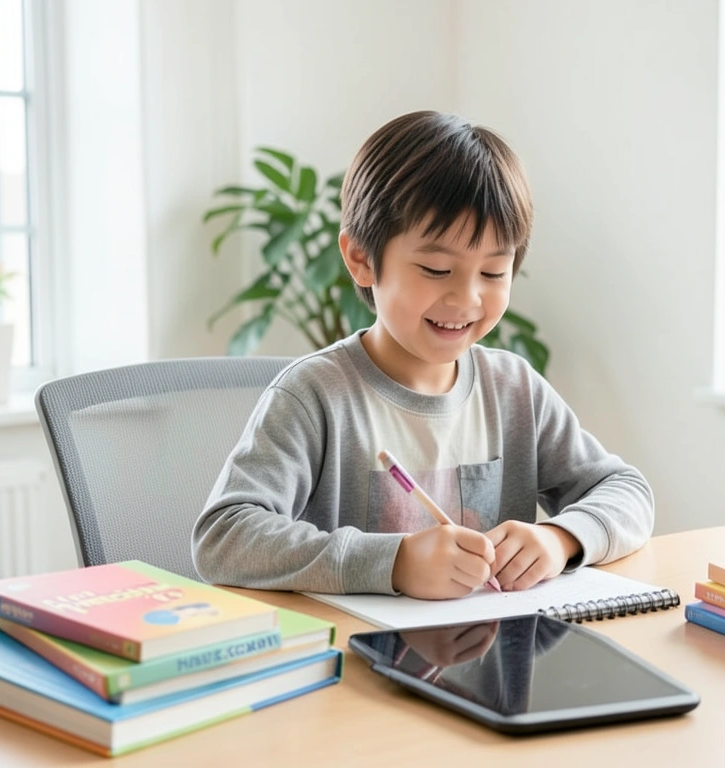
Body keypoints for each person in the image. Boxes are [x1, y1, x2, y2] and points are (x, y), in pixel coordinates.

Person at [192, 110, 653, 599]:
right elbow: (224, 536)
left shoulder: (515, 391)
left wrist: (561, 539)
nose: (467, 299)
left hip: (491, 658)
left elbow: (628, 492)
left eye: (494, 273)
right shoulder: (316, 395)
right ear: (362, 260)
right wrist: (393, 564)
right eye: (436, 269)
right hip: (355, 661)